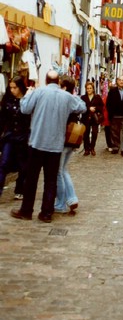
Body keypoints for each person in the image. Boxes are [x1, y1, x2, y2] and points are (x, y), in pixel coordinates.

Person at [10, 70, 86, 223]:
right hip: (55, 145)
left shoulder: (38, 92)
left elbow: (24, 109)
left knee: (31, 179)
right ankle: (46, 213)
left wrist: (28, 94)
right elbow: (82, 107)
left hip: (37, 142)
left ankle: (26, 210)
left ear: (46, 80)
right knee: (50, 180)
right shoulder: (66, 97)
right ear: (58, 81)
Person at [54, 75, 82, 214]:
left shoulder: (64, 100)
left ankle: (60, 204)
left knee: (58, 171)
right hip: (72, 139)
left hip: (63, 139)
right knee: (63, 169)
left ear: (64, 87)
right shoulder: (74, 100)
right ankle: (71, 198)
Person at [0, 76, 31, 200]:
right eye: (11, 87)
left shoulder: (27, 100)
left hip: (23, 137)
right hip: (10, 136)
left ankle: (20, 188)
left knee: (23, 166)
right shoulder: (7, 101)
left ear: (20, 87)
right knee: (3, 163)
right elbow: (2, 120)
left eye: (15, 87)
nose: (12, 90)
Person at [81, 81, 104, 156]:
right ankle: (86, 149)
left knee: (94, 133)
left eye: (90, 88)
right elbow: (81, 107)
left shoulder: (97, 97)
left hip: (95, 118)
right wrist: (88, 108)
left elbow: (101, 107)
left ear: (93, 89)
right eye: (87, 88)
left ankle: (92, 148)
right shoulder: (83, 98)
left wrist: (95, 108)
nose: (89, 90)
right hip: (86, 118)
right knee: (86, 134)